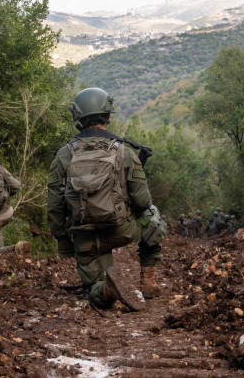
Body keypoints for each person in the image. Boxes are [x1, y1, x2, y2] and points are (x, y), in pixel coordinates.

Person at [46, 87, 165, 311]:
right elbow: (142, 201)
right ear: (108, 116)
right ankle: (147, 282)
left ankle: (105, 290)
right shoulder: (124, 152)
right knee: (153, 217)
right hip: (120, 231)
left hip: (84, 238)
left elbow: (54, 207)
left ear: (78, 118)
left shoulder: (64, 154)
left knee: (93, 288)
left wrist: (63, 241)